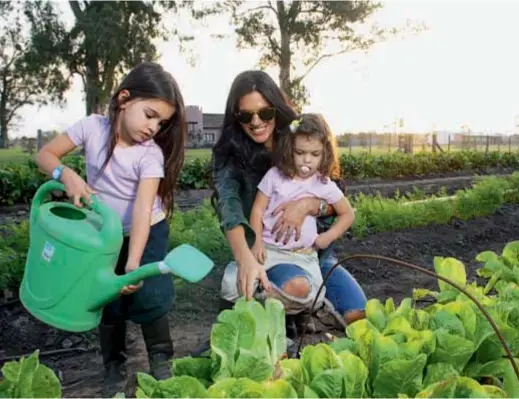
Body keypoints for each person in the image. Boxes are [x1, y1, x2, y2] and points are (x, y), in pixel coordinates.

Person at [36, 62, 186, 396]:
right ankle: (114, 366)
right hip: (103, 235)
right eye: (149, 114)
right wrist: (67, 175)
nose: (154, 127)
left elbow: (144, 211)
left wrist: (134, 263)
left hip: (145, 232)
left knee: (149, 297)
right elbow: (45, 155)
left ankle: (162, 363)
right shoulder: (91, 128)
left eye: (161, 122)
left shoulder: (149, 156)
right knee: (106, 298)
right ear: (123, 99)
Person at [201, 70, 367, 350]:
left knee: (359, 318)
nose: (256, 122)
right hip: (268, 248)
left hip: (314, 254)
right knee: (289, 287)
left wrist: (308, 205)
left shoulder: (301, 139)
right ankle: (256, 322)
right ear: (235, 117)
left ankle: (301, 313)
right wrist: (247, 258)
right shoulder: (230, 156)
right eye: (245, 116)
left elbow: (337, 200)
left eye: (264, 113)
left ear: (276, 109)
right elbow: (230, 210)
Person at [242, 113, 356, 316]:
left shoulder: (323, 184)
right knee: (241, 285)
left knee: (309, 294)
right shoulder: (275, 176)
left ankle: (294, 313)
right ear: (289, 149)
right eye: (300, 152)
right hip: (270, 251)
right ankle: (268, 307)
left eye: (315, 154)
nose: (306, 160)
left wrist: (327, 237)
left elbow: (347, 213)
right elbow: (258, 209)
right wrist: (257, 242)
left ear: (325, 154)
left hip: (303, 255)